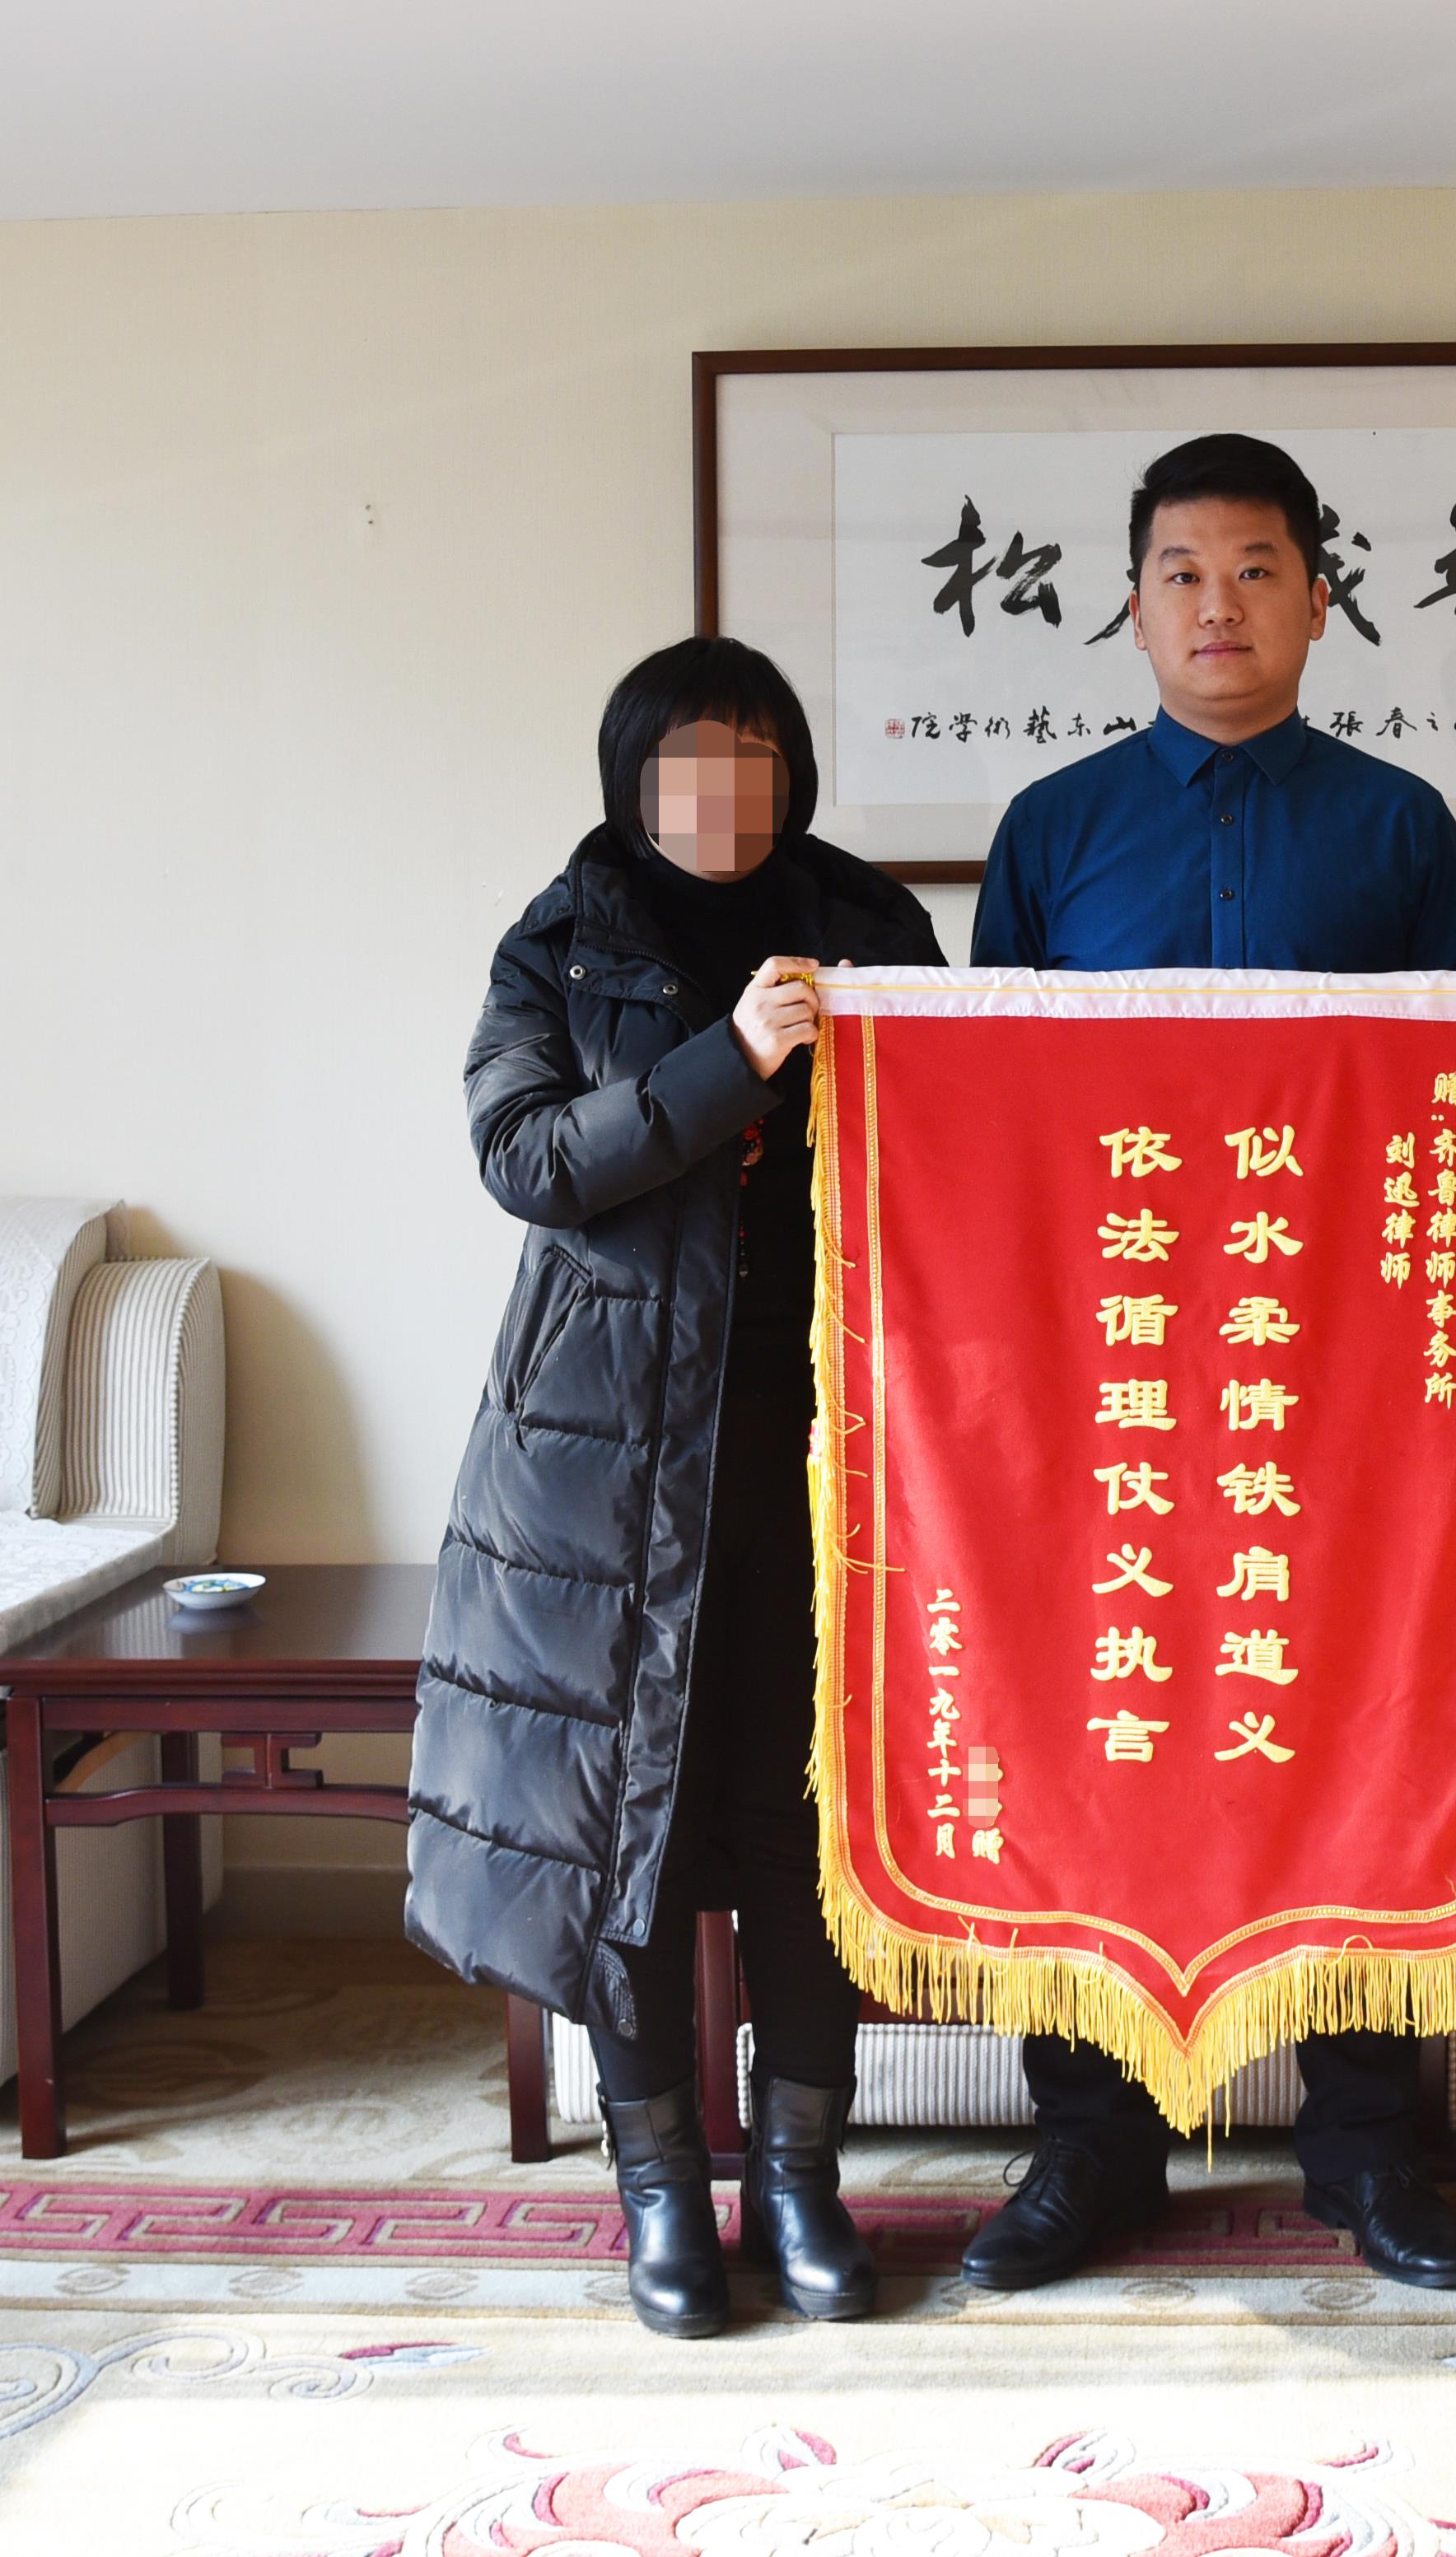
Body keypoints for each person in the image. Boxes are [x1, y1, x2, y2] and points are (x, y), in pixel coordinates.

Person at [961, 431, 1456, 2295]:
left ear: (1319, 603)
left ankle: (1368, 2148)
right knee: (1095, 1737)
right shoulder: (1050, 831)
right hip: (1103, 1387)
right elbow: (986, 1126)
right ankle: (1090, 2145)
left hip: (1334, 1388)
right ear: (1129, 605)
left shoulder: (1402, 829)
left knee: (1349, 1727)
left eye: (1256, 568)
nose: (1217, 603)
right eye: (1180, 571)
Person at [406, 637, 945, 2341]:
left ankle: (800, 2175)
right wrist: (729, 1058)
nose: (723, 791)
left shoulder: (872, 923)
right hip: (605, 1461)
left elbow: (954, 1151)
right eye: (686, 761)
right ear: (631, 779)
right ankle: (656, 2189)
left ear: (793, 769)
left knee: (806, 1822)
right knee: (617, 1826)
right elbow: (528, 1157)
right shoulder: (562, 938)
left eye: (753, 756)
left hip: (826, 1448)